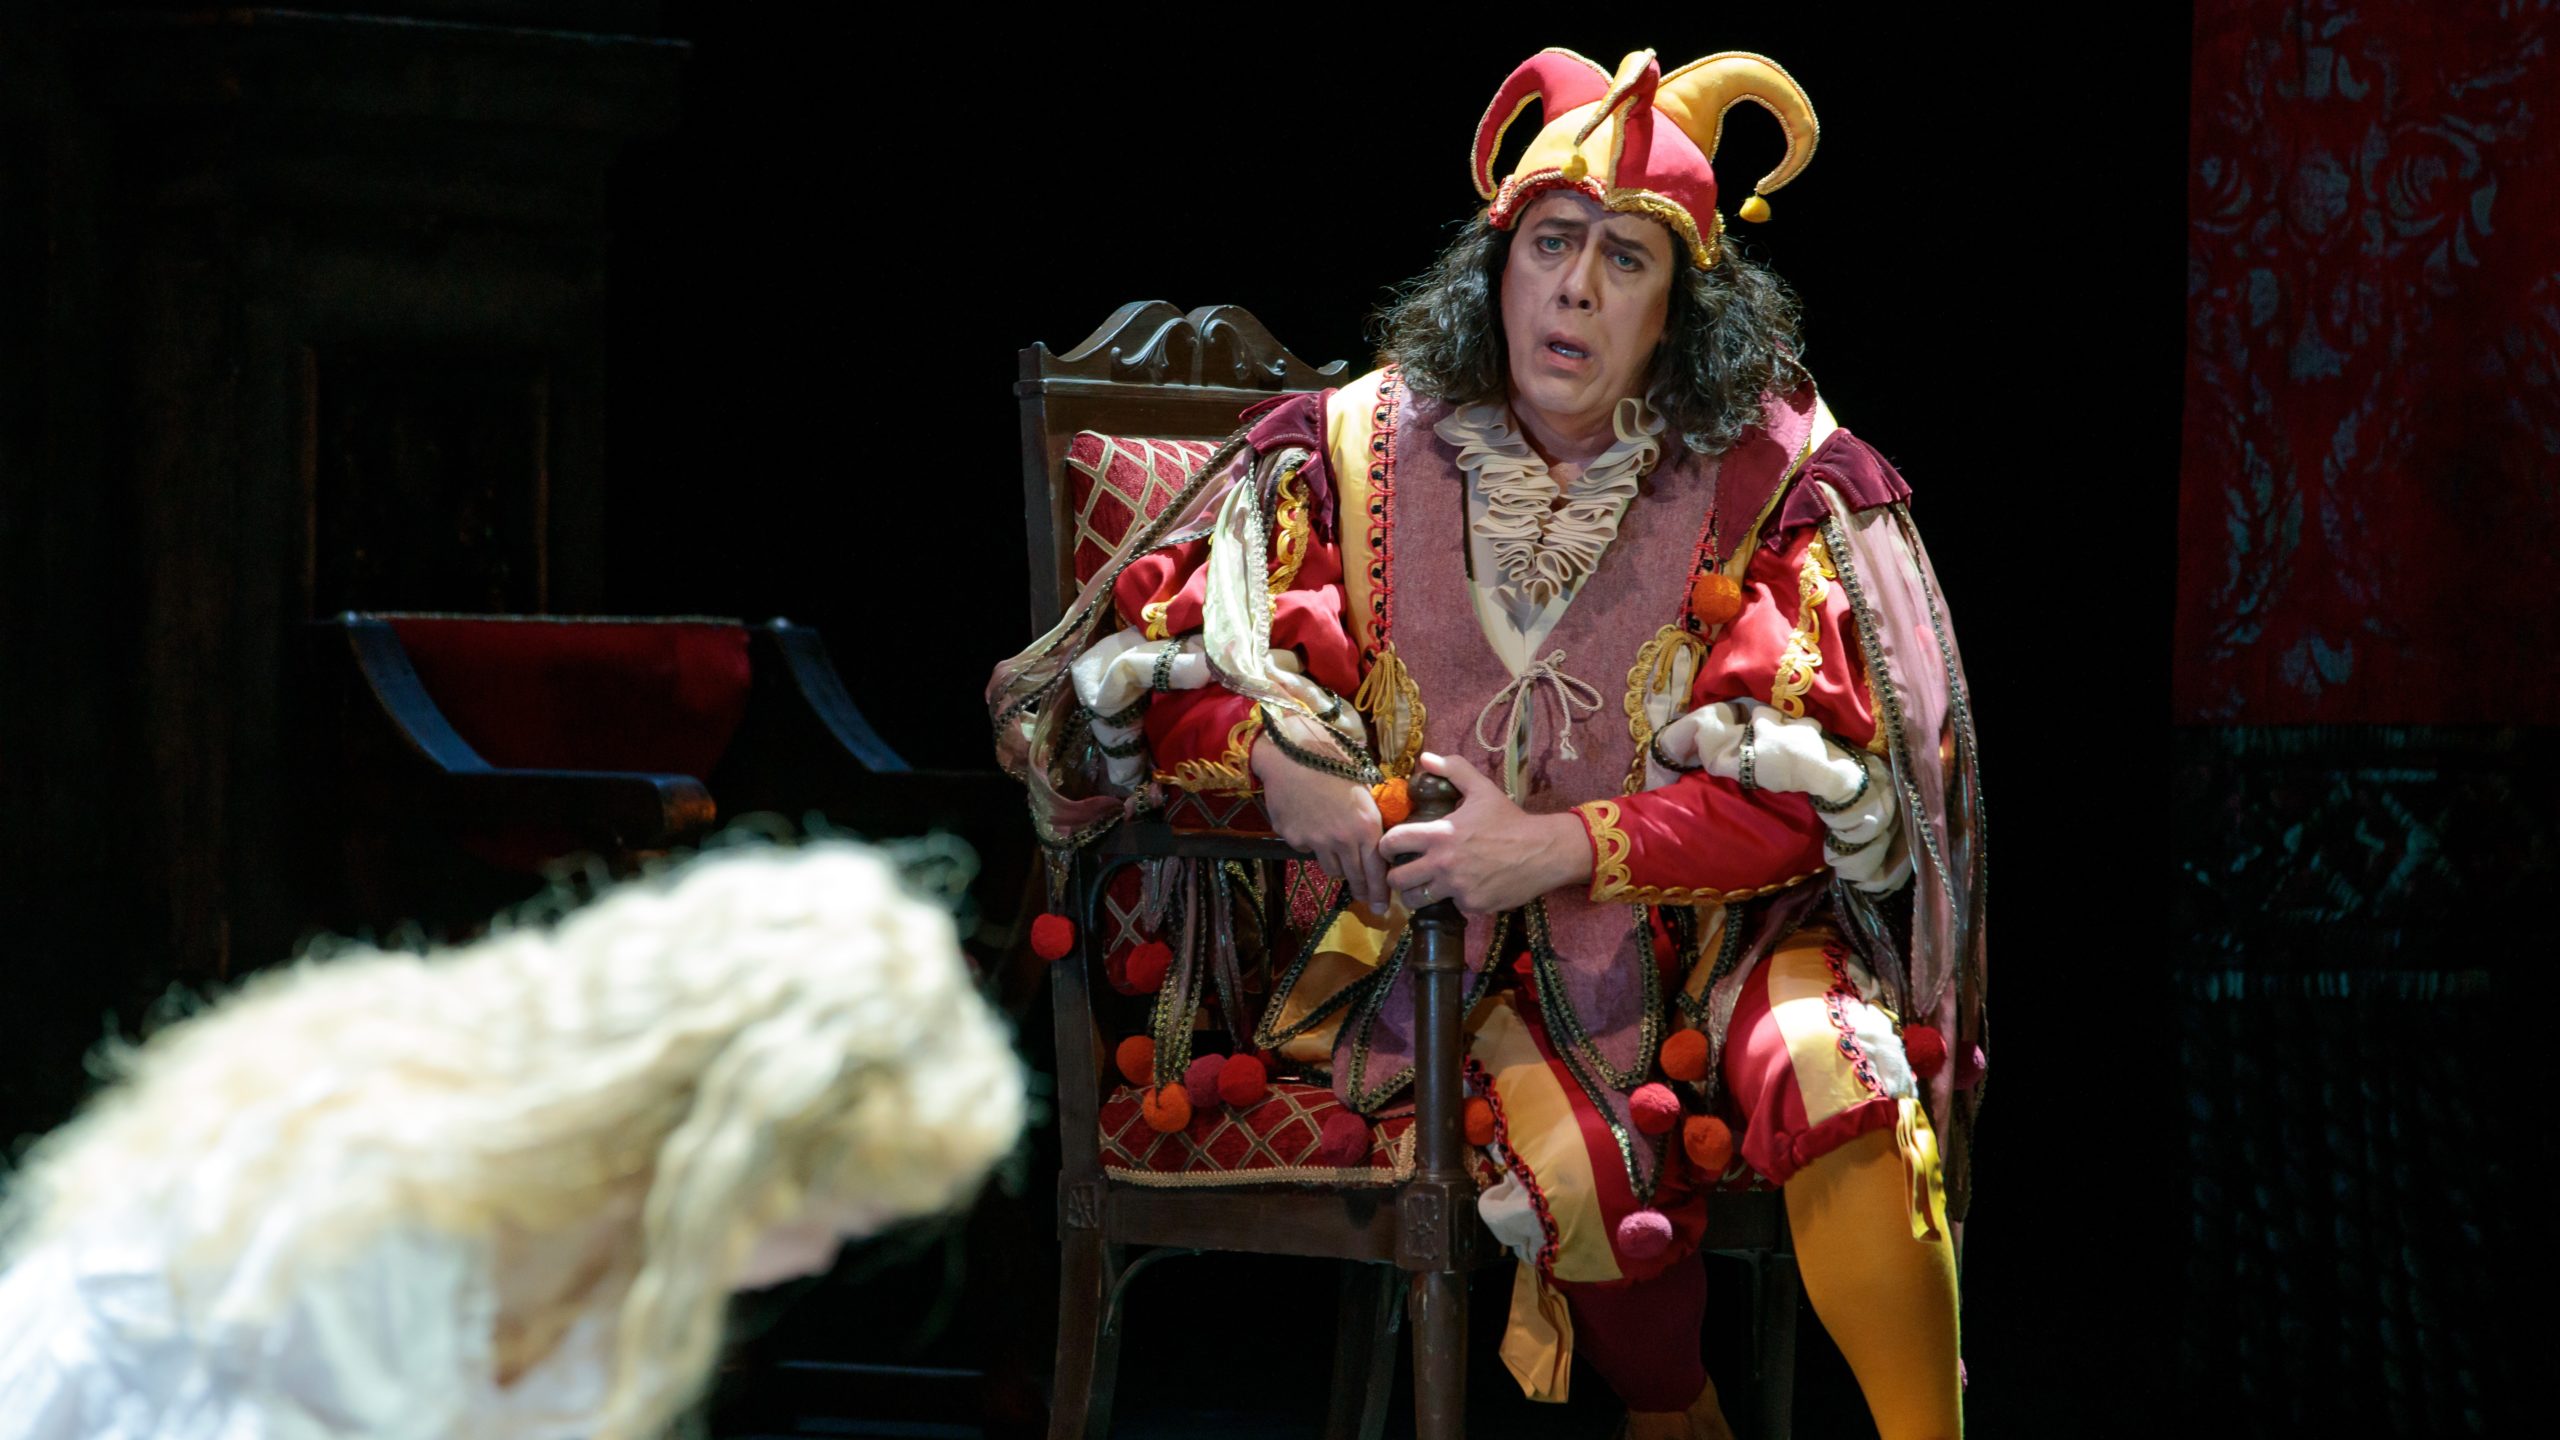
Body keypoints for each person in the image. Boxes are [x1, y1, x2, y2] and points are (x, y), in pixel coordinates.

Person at [990, 44, 1983, 1440]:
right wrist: (1287, 772)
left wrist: (1562, 844)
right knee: (1578, 1170)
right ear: (1497, 269)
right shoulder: (1346, 450)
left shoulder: (1770, 474)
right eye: (1550, 244)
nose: (1574, 286)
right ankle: (1677, 1415)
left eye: (1625, 259)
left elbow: (1825, 793)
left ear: (1679, 314)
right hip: (1441, 954)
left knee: (1848, 1082)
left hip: (1726, 931)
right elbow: (1172, 665)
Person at [0, 840, 1026, 1440]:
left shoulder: (604, 1262)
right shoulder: (359, 1198)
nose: (814, 1259)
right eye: (825, 1215)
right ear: (712, 1152)